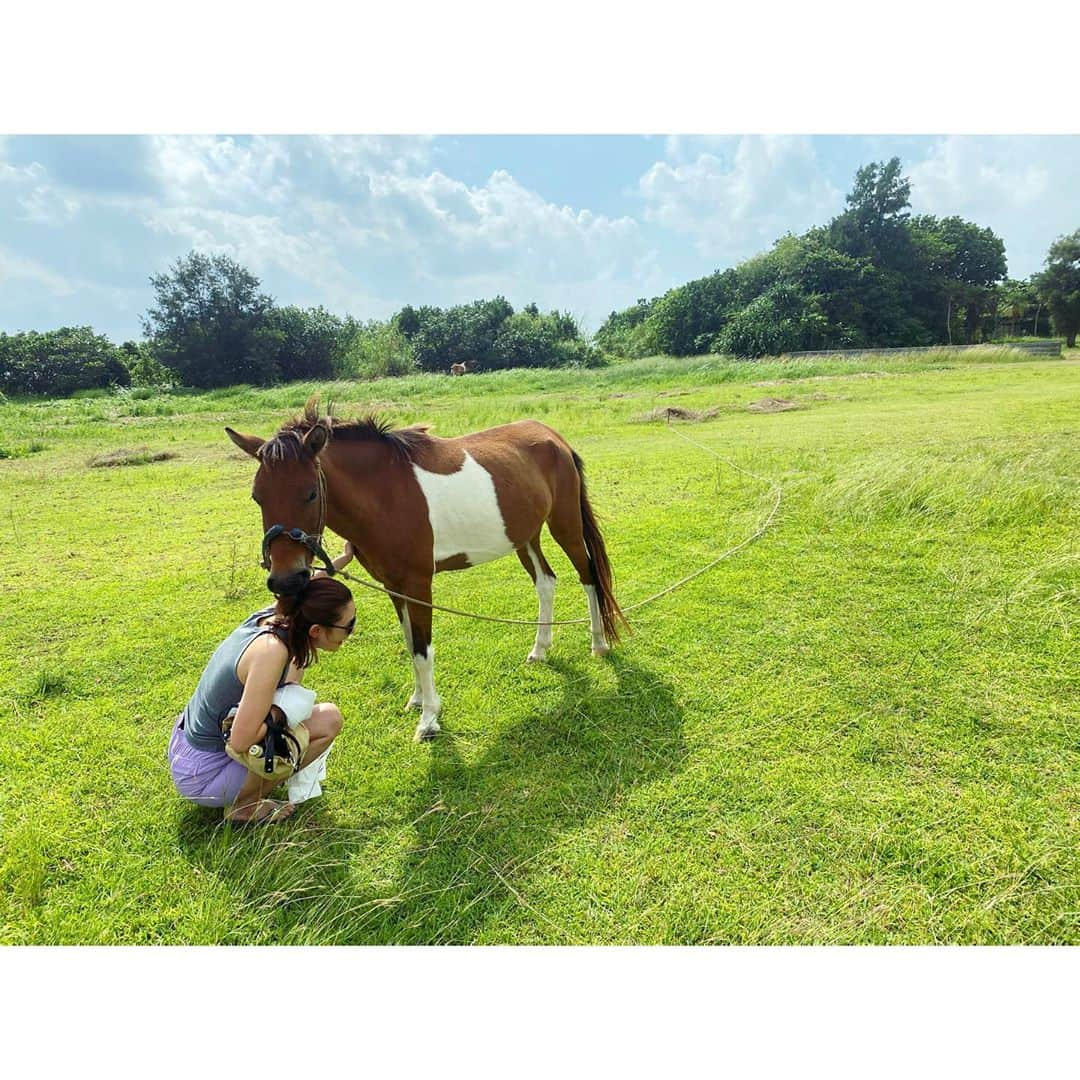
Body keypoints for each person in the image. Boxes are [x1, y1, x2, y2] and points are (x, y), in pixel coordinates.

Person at [168, 550, 356, 825]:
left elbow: (310, 587)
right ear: (315, 630)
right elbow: (241, 740)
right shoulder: (271, 653)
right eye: (348, 626)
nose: (351, 631)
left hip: (186, 746)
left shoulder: (279, 615)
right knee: (327, 721)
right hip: (202, 775)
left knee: (294, 709)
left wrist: (343, 558)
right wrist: (280, 717)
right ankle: (243, 807)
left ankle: (246, 787)